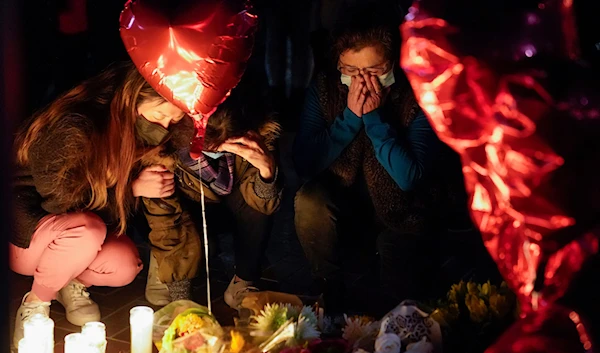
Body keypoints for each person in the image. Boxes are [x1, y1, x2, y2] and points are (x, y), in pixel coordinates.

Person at [293, 5, 462, 313]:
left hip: (405, 211)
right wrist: (348, 120)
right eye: (352, 72)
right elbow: (304, 162)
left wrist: (375, 118)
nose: (363, 81)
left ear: (391, 64)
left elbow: (410, 176)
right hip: (346, 202)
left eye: (373, 71)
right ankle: (329, 293)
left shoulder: (416, 92)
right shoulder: (325, 87)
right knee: (309, 200)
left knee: (401, 306)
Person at [11, 62, 187, 346]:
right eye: (159, 115)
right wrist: (130, 187)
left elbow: (112, 214)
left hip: (75, 236)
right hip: (27, 235)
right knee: (87, 230)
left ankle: (70, 282)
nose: (164, 127)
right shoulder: (76, 125)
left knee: (125, 265)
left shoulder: (138, 131)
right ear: (133, 98)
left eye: (174, 121)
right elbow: (59, 200)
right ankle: (35, 305)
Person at [139, 86, 283, 309]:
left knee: (257, 201)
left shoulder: (254, 135)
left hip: (232, 206)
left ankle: (243, 281)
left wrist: (267, 170)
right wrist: (181, 299)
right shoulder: (165, 148)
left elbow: (263, 204)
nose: (216, 153)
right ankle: (163, 264)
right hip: (188, 210)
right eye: (209, 149)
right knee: (205, 248)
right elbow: (164, 217)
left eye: (225, 148)